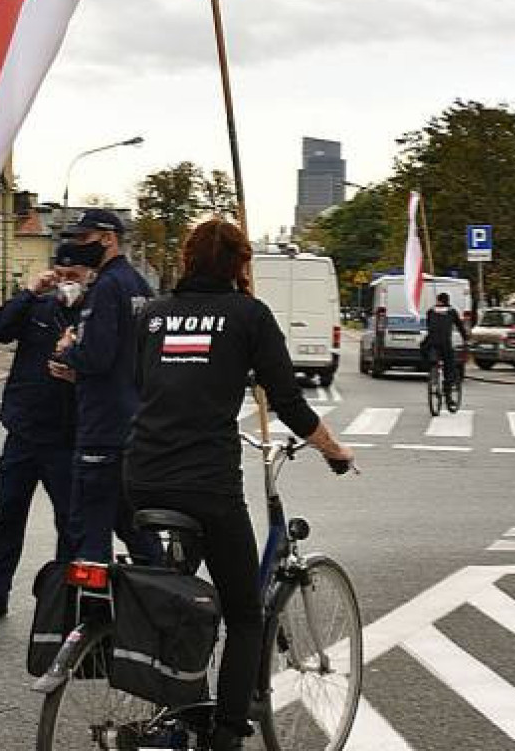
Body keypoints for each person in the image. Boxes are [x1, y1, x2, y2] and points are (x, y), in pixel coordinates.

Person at [124, 218, 356, 751]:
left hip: (141, 477)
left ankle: (179, 708)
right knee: (245, 613)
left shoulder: (153, 314)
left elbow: (143, 384)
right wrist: (334, 450)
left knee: (177, 597)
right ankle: (226, 733)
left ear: (187, 260)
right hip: (206, 484)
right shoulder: (249, 315)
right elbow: (288, 402)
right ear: (240, 265)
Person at [0, 246, 92, 624]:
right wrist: (30, 292)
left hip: (66, 436)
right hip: (23, 431)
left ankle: (65, 602)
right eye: (61, 273)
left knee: (69, 523)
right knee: (6, 517)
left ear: (88, 275)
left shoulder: (94, 314)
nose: (67, 281)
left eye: (74, 274)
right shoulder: (39, 307)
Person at [55, 208, 157, 564]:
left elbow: (96, 356)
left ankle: (93, 599)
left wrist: (68, 351)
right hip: (134, 424)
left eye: (85, 238)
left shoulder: (106, 287)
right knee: (135, 528)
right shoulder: (140, 286)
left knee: (89, 534)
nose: (79, 244)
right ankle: (161, 593)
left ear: (108, 238)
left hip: (102, 427)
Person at [423, 291, 467, 407]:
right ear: (448, 301)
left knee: (430, 356)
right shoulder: (452, 312)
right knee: (450, 368)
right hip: (445, 345)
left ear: (438, 300)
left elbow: (429, 326)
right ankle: (448, 396)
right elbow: (460, 327)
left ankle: (432, 370)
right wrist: (466, 339)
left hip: (431, 344)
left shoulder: (430, 311)